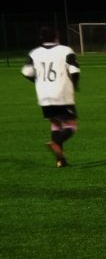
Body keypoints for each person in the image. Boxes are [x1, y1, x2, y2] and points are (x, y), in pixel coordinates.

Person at [22, 26, 80, 168]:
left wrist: (38, 82)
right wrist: (75, 84)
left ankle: (60, 160)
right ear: (56, 37)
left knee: (55, 125)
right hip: (62, 94)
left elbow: (26, 72)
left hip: (44, 96)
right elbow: (74, 69)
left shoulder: (34, 53)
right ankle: (55, 143)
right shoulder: (65, 50)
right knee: (71, 126)